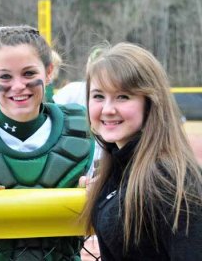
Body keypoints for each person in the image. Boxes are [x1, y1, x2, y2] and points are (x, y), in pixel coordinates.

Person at [0, 25, 94, 260]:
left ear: (48, 73)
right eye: (5, 76)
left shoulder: (82, 134)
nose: (18, 86)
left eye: (29, 74)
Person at [81, 42, 202, 260]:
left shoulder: (169, 179)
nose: (108, 109)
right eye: (98, 96)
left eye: (123, 97)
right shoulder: (119, 168)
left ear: (150, 103)